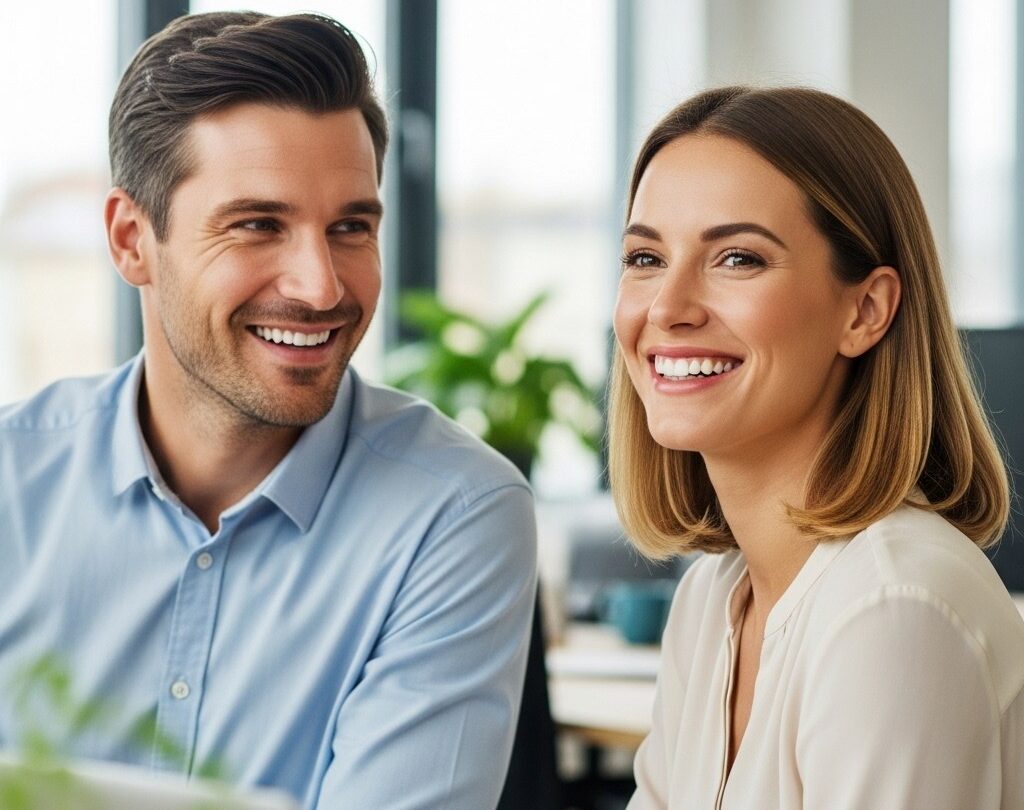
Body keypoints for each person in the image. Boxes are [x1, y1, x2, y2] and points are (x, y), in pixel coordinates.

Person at [0, 12, 537, 809]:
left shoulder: (452, 514)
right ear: (131, 239)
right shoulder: (12, 481)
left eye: (351, 227)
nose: (321, 287)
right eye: (259, 224)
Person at [609, 86, 1024, 810]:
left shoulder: (892, 610)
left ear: (865, 310)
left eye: (737, 258)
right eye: (646, 257)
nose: (667, 308)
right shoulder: (714, 600)